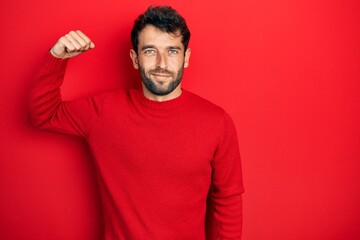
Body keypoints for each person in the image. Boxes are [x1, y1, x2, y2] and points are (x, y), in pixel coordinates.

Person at [30, 5, 244, 240]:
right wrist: (56, 57)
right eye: (150, 51)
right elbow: (43, 114)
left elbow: (228, 199)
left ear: (186, 58)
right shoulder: (103, 112)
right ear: (135, 58)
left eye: (172, 51)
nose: (162, 63)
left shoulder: (217, 122)